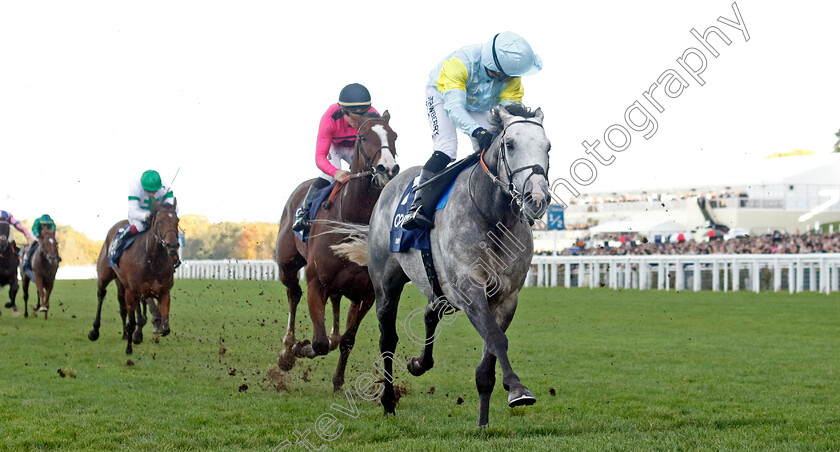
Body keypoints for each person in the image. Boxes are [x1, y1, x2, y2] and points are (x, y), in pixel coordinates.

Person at [401, 31, 543, 230]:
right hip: (444, 97)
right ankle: (419, 206)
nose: (508, 79)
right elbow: (455, 109)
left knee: (492, 149)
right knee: (446, 149)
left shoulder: (511, 75)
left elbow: (509, 112)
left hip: (478, 103)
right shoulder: (459, 64)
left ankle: (510, 203)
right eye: (504, 76)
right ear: (494, 68)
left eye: (511, 76)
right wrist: (477, 132)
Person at [292, 83, 379, 232]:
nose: (357, 123)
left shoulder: (374, 115)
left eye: (362, 117)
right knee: (331, 173)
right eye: (354, 118)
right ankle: (304, 211)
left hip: (356, 146)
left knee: (372, 173)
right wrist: (335, 172)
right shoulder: (330, 118)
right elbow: (320, 157)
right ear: (343, 111)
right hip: (336, 147)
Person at [108, 169, 179, 268]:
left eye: (154, 191)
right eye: (148, 191)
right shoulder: (134, 187)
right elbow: (133, 211)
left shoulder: (166, 188)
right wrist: (146, 216)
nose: (151, 194)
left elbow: (172, 209)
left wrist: (162, 216)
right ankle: (120, 238)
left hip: (158, 216)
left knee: (167, 229)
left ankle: (173, 255)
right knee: (140, 226)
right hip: (138, 215)